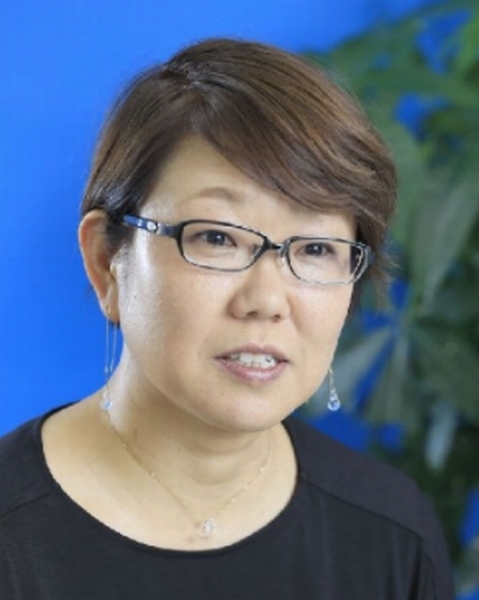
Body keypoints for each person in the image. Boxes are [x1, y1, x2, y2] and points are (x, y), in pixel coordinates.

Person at [0, 38, 454, 599]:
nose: (267, 300)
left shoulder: (393, 534)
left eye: (316, 249)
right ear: (106, 261)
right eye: (217, 238)